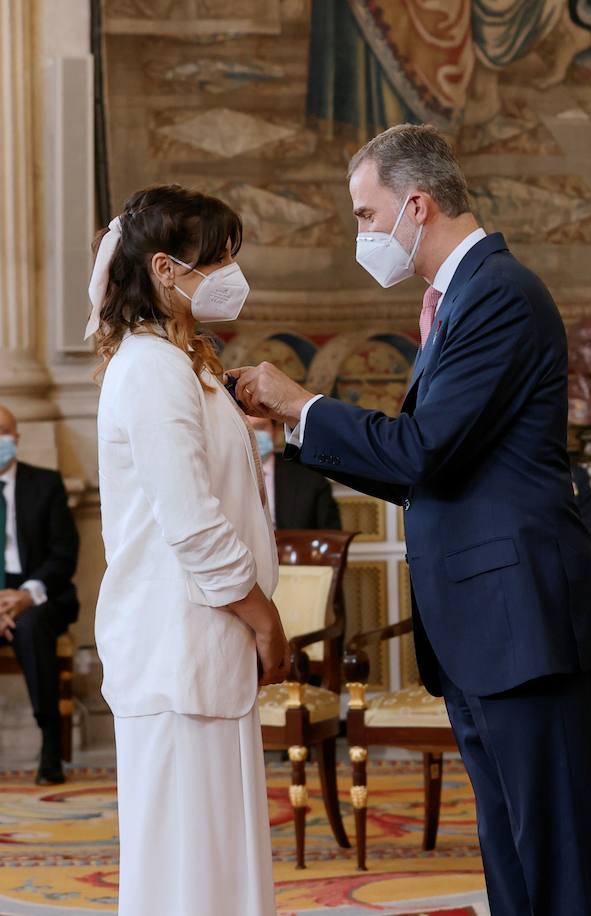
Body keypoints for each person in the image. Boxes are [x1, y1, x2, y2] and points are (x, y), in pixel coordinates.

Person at [229, 123, 591, 916]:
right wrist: (304, 426)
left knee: (555, 867)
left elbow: (421, 451)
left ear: (416, 204)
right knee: (515, 862)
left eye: (366, 216)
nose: (362, 235)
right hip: (490, 633)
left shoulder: (499, 295)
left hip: (527, 630)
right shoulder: (460, 297)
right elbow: (429, 465)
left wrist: (300, 404)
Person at [86, 185, 288, 916]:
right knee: (188, 872)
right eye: (220, 258)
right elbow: (194, 524)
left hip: (205, 647)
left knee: (218, 865)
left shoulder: (184, 364)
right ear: (168, 269)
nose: (232, 272)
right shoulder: (151, 368)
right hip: (180, 648)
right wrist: (265, 618)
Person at [0, 403, 79, 785]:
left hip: (41, 594)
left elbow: (64, 554)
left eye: (2, 432)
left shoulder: (44, 484)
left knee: (31, 628)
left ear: (15, 437)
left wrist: (26, 595)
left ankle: (50, 748)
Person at [247, 415, 342, 531]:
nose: (253, 435)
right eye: (246, 429)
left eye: (260, 427)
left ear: (276, 431)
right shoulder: (222, 477)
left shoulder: (311, 478)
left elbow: (331, 538)